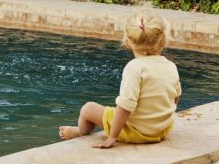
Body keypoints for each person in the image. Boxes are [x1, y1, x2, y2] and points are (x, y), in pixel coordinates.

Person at [58, 10, 181, 147]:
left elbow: (125, 107)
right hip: (163, 130)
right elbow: (175, 98)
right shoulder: (171, 66)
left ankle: (81, 131)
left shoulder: (134, 68)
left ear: (128, 42)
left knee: (88, 109)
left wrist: (112, 137)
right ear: (162, 40)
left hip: (137, 132)